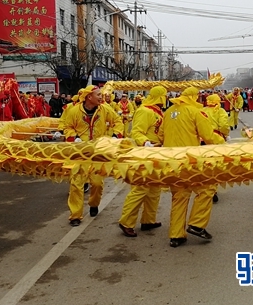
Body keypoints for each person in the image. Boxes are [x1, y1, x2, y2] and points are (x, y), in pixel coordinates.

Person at [163, 87, 225, 248]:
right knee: (208, 188)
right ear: (193, 97)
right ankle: (197, 224)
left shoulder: (168, 112)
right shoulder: (195, 112)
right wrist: (224, 144)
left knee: (179, 197)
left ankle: (176, 235)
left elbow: (160, 135)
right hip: (190, 161)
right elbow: (208, 136)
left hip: (172, 162)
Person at [58, 85, 124, 226]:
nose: (102, 97)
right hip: (79, 153)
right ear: (89, 97)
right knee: (76, 184)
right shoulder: (74, 111)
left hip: (98, 153)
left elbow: (117, 122)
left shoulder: (105, 110)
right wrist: (73, 136)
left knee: (97, 183)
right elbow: (67, 126)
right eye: (98, 95)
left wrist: (114, 135)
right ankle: (75, 215)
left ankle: (94, 204)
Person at [118, 86, 167, 237]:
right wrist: (146, 143)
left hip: (156, 154)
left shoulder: (157, 112)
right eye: (164, 95)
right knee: (140, 188)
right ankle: (126, 222)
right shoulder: (145, 111)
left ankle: (148, 220)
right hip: (145, 154)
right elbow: (137, 131)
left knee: (154, 189)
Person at [203, 93, 230, 204]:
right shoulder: (220, 111)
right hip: (216, 139)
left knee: (205, 164)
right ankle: (213, 189)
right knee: (216, 165)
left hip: (203, 139)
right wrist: (226, 134)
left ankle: (205, 187)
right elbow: (223, 125)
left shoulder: (201, 110)